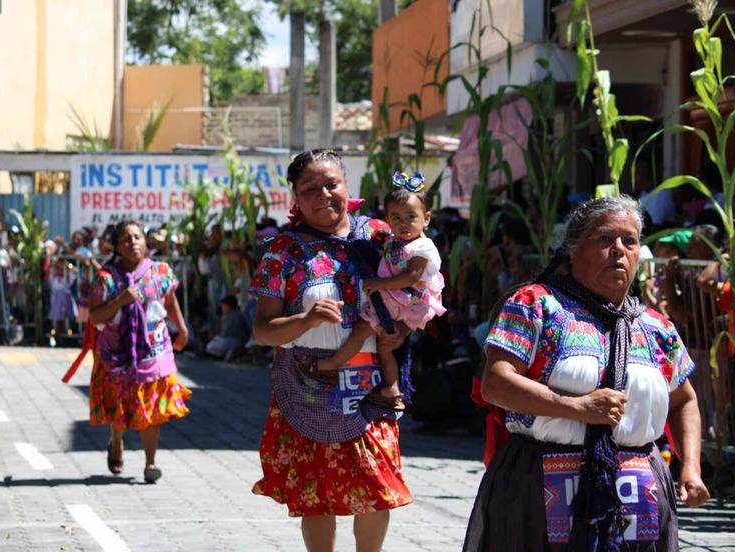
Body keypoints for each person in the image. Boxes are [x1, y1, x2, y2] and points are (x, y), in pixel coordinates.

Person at [464, 196, 709, 551]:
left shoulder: (656, 326)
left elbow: (684, 400)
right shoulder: (536, 305)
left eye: (630, 241)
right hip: (539, 482)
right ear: (572, 249)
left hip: (639, 488)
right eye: (604, 239)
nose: (619, 250)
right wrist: (577, 407)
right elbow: (496, 383)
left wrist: (691, 468)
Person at [251, 149, 413, 551]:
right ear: (295, 198)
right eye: (310, 189)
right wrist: (305, 321)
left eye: (331, 184)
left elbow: (416, 288)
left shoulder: (379, 235)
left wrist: (404, 330)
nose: (323, 194)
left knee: (377, 482)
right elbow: (262, 330)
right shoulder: (281, 252)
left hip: (371, 380)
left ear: (347, 184)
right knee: (315, 491)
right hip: (307, 383)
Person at [314, 171, 446, 410]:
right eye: (396, 217)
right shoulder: (394, 242)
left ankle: (333, 363)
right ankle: (393, 389)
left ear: (426, 219)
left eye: (411, 216)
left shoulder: (423, 247)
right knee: (385, 347)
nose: (403, 223)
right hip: (397, 301)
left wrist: (378, 283)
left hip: (404, 302)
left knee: (363, 329)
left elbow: (411, 276)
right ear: (387, 219)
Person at [88, 220, 190, 483]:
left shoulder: (161, 271)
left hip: (156, 350)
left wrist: (181, 328)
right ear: (117, 247)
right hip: (116, 354)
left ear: (145, 241)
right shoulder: (106, 279)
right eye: (125, 239)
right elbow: (95, 315)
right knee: (121, 403)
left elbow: (169, 299)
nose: (132, 242)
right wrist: (121, 300)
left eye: (137, 237)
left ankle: (150, 462)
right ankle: (117, 439)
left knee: (152, 408)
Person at [205, 295, 249, 360]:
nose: (222, 308)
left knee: (209, 347)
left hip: (229, 340)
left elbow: (225, 332)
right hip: (241, 341)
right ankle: (230, 352)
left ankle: (222, 354)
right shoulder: (241, 314)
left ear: (228, 306)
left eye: (223, 306)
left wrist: (214, 336)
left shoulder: (226, 317)